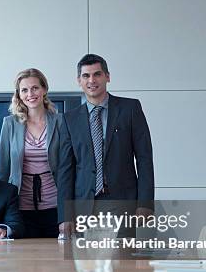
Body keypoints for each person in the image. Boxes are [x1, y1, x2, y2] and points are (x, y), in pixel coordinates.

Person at [57, 54, 154, 238]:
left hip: (122, 202)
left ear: (107, 76)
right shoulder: (69, 119)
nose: (91, 80)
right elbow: (65, 170)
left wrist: (145, 203)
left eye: (97, 74)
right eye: (86, 76)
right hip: (84, 206)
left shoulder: (130, 109)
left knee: (123, 262)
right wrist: (64, 215)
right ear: (79, 80)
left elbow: (144, 159)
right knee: (87, 263)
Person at [0, 68, 61, 238]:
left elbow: (70, 165)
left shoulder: (60, 121)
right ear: (19, 94)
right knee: (24, 259)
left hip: (55, 204)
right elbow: (2, 169)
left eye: (35, 88)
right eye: (24, 90)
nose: (30, 94)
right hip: (20, 205)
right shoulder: (10, 123)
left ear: (44, 89)